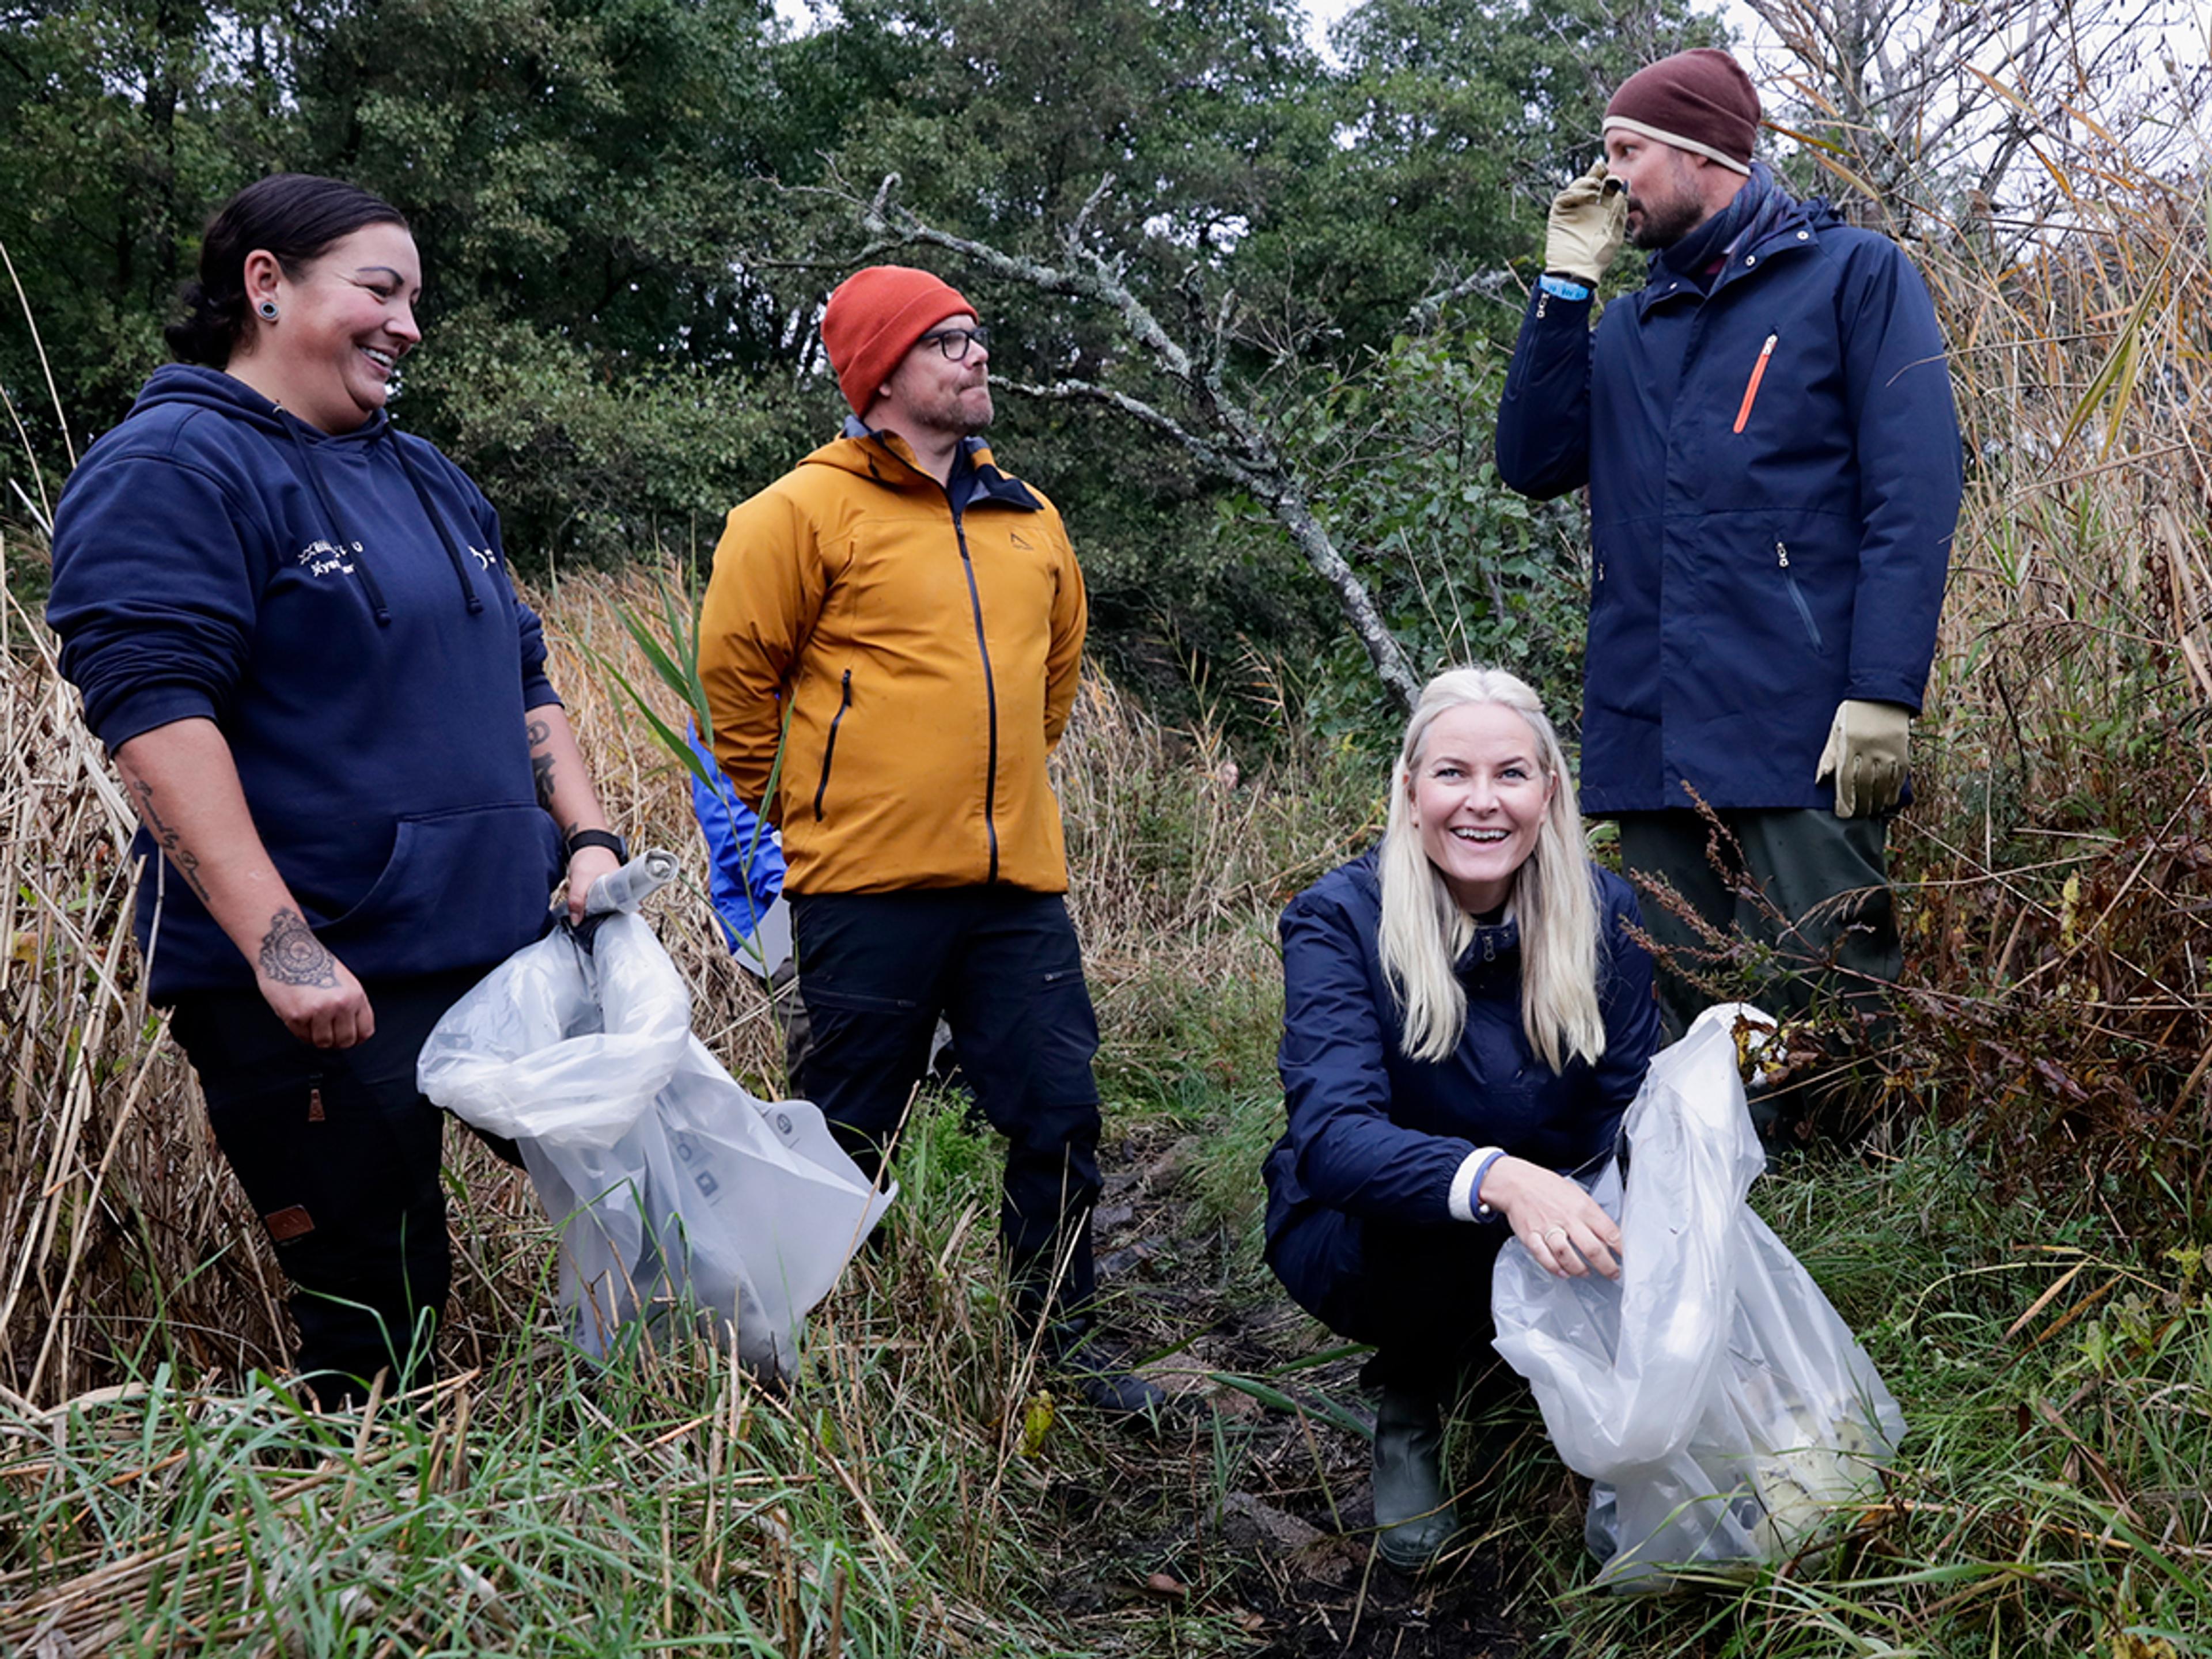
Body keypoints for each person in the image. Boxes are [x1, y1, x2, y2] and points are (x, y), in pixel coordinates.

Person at [46, 175, 622, 1403]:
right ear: (266, 284)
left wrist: (588, 837)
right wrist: (284, 947)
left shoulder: (430, 478)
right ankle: (350, 1507)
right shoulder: (173, 466)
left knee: (656, 1202)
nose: (409, 325)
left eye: (414, 299)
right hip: (328, 990)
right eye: (381, 290)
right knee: (380, 1320)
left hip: (500, 951)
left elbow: (525, 675)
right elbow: (153, 719)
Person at [696, 265, 1165, 1416]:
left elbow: (1055, 678)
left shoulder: (1029, 517)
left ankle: (1059, 1350)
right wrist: (816, 808)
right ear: (881, 373)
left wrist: (986, 798)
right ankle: (814, 1362)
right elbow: (736, 686)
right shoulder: (795, 514)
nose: (976, 353)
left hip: (1016, 890)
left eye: (974, 334)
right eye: (946, 341)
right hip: (863, 885)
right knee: (844, 1130)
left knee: (1059, 1113)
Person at [1494, 48, 1962, 1130]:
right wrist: (1564, 288)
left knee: (1827, 992)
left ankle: (1851, 1209)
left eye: (1626, 151)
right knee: (1681, 1010)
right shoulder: (1628, 326)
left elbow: (1915, 492)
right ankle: (1714, 1209)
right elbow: (1533, 462)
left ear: (1705, 153)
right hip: (1652, 723)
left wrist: (1884, 688)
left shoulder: (1854, 275)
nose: (1606, 179)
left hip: (1804, 717)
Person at [1263, 668, 1661, 1573]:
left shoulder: (1606, 911)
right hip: (1375, 1230)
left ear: (1548, 792)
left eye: (1511, 774)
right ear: (1410, 792)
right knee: (1433, 1203)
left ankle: (1579, 1405)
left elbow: (1624, 1106)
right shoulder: (1338, 919)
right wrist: (1500, 1180)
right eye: (1452, 774)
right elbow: (1333, 1140)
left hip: (1557, 1195)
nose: (1483, 802)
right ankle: (1411, 1396)